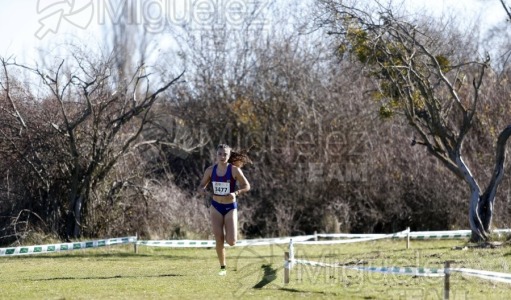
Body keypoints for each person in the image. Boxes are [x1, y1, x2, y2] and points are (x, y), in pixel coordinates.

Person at [197, 144, 252, 276]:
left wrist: (236, 193)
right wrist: (201, 191)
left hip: (230, 207)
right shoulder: (210, 170)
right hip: (216, 206)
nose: (222, 157)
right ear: (216, 155)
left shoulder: (234, 170)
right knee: (218, 238)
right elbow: (201, 185)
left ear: (229, 156)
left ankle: (229, 247)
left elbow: (247, 186)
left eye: (225, 154)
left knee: (231, 241)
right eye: (220, 154)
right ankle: (222, 267)